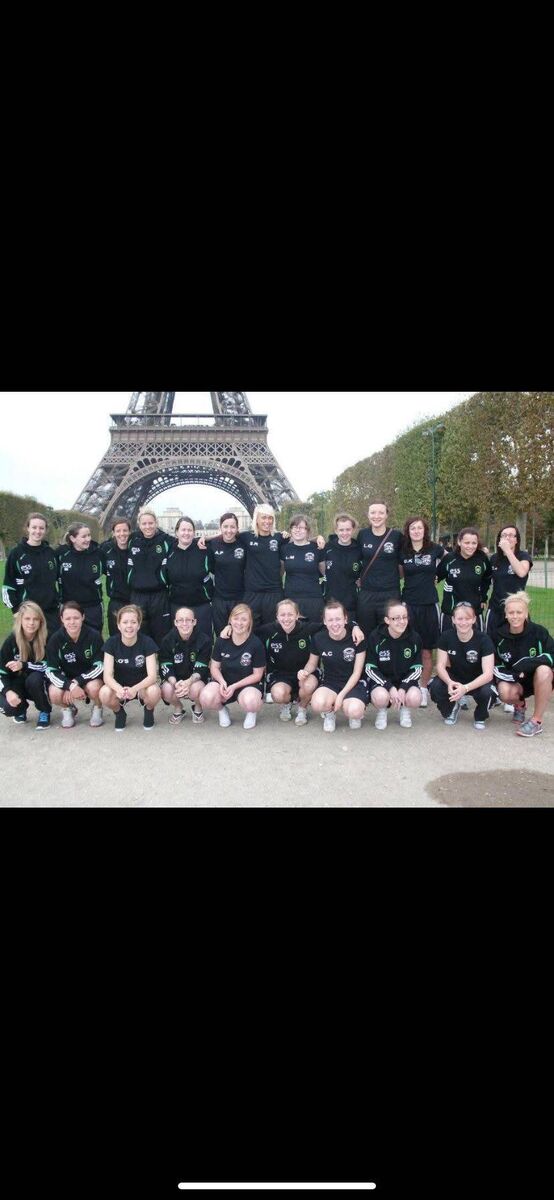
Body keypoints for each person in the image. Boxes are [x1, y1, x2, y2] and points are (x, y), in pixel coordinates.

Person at [298, 599, 367, 733]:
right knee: (317, 703)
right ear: (324, 621)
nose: (334, 624)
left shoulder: (357, 639)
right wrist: (304, 671)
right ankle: (329, 714)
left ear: (345, 619)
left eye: (338, 619)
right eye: (330, 620)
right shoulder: (318, 638)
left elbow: (357, 673)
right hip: (331, 682)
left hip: (354, 682)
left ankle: (353, 712)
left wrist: (341, 696)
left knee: (354, 710)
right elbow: (312, 663)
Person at [492, 593, 554, 737]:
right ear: (506, 615)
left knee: (544, 670)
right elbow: (495, 664)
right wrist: (514, 673)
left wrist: (527, 663)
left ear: (526, 613)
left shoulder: (539, 632)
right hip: (515, 680)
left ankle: (536, 721)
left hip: (538, 679)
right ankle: (520, 705)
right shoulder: (498, 635)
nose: (515, 616)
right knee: (504, 692)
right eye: (511, 612)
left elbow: (552, 654)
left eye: (519, 612)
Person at [399, 516, 446, 706]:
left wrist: (439, 576)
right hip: (408, 604)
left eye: (419, 528)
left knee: (426, 651)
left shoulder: (435, 548)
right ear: (408, 531)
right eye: (413, 528)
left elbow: (451, 561)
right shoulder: (403, 551)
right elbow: (400, 573)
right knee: (407, 649)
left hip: (429, 604)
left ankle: (424, 687)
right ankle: (406, 686)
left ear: (424, 530)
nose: (416, 531)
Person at [429, 601, 496, 730]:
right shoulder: (446, 636)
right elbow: (440, 666)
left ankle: (480, 715)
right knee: (435, 687)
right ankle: (452, 708)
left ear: (474, 619)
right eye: (459, 619)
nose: (463, 622)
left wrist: (465, 688)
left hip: (477, 679)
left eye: (467, 618)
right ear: (453, 620)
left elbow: (488, 674)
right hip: (455, 678)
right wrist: (449, 682)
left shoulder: (484, 640)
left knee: (488, 692)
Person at [199, 603, 266, 729]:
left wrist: (235, 686)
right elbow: (214, 667)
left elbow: (258, 675)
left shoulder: (256, 643)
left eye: (244, 619)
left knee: (251, 702)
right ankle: (222, 710)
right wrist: (222, 681)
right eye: (236, 618)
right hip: (225, 683)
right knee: (206, 697)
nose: (239, 623)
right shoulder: (222, 640)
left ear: (250, 622)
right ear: (230, 620)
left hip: (247, 685)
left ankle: (251, 713)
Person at [99, 604, 161, 731]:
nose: (129, 626)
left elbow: (152, 676)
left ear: (138, 625)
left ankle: (149, 711)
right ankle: (119, 713)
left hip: (141, 687)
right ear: (118, 625)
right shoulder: (111, 643)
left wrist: (134, 689)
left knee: (154, 691)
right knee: (104, 693)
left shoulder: (147, 642)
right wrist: (119, 689)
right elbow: (107, 676)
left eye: (133, 622)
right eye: (125, 622)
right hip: (120, 687)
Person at [365, 600, 423, 730]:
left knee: (415, 698)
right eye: (396, 618)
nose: (401, 621)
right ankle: (382, 711)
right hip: (383, 682)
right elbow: (370, 668)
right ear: (387, 620)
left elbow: (418, 668)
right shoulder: (376, 637)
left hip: (405, 681)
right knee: (380, 697)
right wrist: (389, 687)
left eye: (404, 617)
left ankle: (405, 709)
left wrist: (403, 687)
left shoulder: (414, 638)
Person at [45, 601, 104, 728]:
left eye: (76, 618)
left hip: (89, 679)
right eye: (68, 618)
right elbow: (51, 671)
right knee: (54, 693)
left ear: (83, 617)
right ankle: (67, 709)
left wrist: (77, 681)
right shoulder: (55, 640)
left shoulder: (94, 636)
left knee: (95, 688)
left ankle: (98, 708)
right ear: (61, 619)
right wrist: (69, 685)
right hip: (67, 680)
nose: (72, 622)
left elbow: (100, 666)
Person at [2, 512, 60, 636]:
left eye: (41, 528)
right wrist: (16, 611)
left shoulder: (51, 553)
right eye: (34, 527)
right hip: (29, 613)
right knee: (30, 652)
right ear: (28, 528)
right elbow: (8, 586)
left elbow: (58, 580)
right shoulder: (16, 554)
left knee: (52, 650)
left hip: (51, 612)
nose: (37, 531)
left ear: (45, 530)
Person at [127, 509, 175, 646]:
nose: (147, 526)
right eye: (144, 524)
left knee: (162, 634)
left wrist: (206, 539)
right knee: (139, 634)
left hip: (159, 595)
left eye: (150, 523)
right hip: (138, 595)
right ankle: (142, 664)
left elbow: (186, 540)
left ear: (156, 523)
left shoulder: (166, 540)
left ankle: (163, 665)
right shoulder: (132, 540)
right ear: (139, 525)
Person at [0, 600, 51, 728]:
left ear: (41, 621)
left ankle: (44, 710)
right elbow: (1, 673)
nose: (31, 623)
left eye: (35, 619)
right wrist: (7, 692)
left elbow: (48, 667)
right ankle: (21, 709)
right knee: (8, 707)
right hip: (17, 682)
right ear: (20, 620)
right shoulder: (11, 641)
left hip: (39, 682)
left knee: (35, 679)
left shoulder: (47, 638)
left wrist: (24, 665)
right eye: (27, 619)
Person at [161, 517, 214, 640]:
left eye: (189, 530)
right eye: (183, 530)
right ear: (177, 532)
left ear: (194, 533)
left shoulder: (204, 548)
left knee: (203, 641)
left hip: (201, 604)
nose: (186, 533)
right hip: (177, 605)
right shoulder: (168, 550)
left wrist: (205, 538)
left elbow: (225, 534)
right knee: (178, 641)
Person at [355, 501, 402, 639]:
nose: (377, 516)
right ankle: (369, 661)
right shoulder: (362, 535)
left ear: (387, 515)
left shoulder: (396, 536)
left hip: (390, 593)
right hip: (367, 593)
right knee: (367, 634)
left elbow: (404, 563)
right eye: (373, 512)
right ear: (368, 515)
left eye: (381, 512)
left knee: (390, 633)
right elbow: (354, 557)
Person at [159, 607, 211, 725]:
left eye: (188, 620)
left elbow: (202, 667)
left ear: (194, 622)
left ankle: (198, 707)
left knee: (196, 689)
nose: (184, 624)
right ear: (175, 623)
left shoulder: (205, 640)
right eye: (180, 620)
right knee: (166, 690)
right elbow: (165, 666)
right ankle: (178, 708)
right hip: (175, 680)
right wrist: (175, 683)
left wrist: (188, 682)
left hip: (195, 680)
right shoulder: (167, 640)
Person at [236, 504, 286, 627]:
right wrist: (203, 537)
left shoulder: (280, 537)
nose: (267, 521)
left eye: (270, 518)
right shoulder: (246, 537)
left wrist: (319, 538)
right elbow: (226, 535)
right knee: (252, 631)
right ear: (256, 519)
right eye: (264, 518)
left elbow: (301, 539)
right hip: (253, 593)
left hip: (273, 592)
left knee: (273, 631)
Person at [437, 528, 491, 631]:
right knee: (449, 645)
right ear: (459, 542)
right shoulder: (449, 559)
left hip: (474, 612)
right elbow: (436, 577)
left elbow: (487, 578)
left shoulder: (482, 558)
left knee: (476, 645)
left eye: (473, 543)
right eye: (467, 543)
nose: (470, 546)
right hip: (451, 612)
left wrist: (483, 597)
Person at [486, 525, 533, 641]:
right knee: (492, 642)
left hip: (516, 610)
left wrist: (508, 551)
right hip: (496, 608)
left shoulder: (523, 556)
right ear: (499, 539)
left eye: (511, 535)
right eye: (504, 535)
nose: (508, 538)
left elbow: (521, 572)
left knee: (519, 642)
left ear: (516, 540)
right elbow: (485, 580)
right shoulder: (494, 559)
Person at [57, 523, 104, 631]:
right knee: (69, 642)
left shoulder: (98, 554)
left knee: (95, 640)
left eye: (89, 535)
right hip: (69, 607)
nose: (88, 539)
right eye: (83, 536)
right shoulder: (61, 554)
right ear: (73, 538)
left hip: (93, 607)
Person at [279, 514, 327, 622]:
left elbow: (324, 572)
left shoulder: (317, 548)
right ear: (290, 530)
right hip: (291, 599)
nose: (298, 530)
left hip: (313, 599)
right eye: (294, 527)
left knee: (315, 632)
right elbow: (280, 573)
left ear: (307, 530)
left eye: (301, 527)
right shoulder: (285, 549)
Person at [206, 512, 247, 635]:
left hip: (240, 598)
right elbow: (211, 567)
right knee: (222, 635)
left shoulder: (243, 544)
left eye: (232, 527)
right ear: (220, 528)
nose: (229, 530)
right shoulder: (213, 545)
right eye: (225, 526)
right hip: (220, 599)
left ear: (237, 528)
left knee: (239, 633)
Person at [323, 513, 363, 622]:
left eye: (348, 529)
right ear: (336, 530)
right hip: (331, 602)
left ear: (353, 530)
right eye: (341, 530)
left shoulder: (359, 549)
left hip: (352, 604)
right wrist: (317, 537)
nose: (344, 533)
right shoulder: (327, 547)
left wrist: (362, 578)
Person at [100, 517, 133, 636]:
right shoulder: (106, 549)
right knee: (116, 636)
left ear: (130, 531)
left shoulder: (136, 548)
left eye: (125, 530)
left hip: (134, 599)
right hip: (116, 600)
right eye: (118, 531)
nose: (122, 534)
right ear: (113, 533)